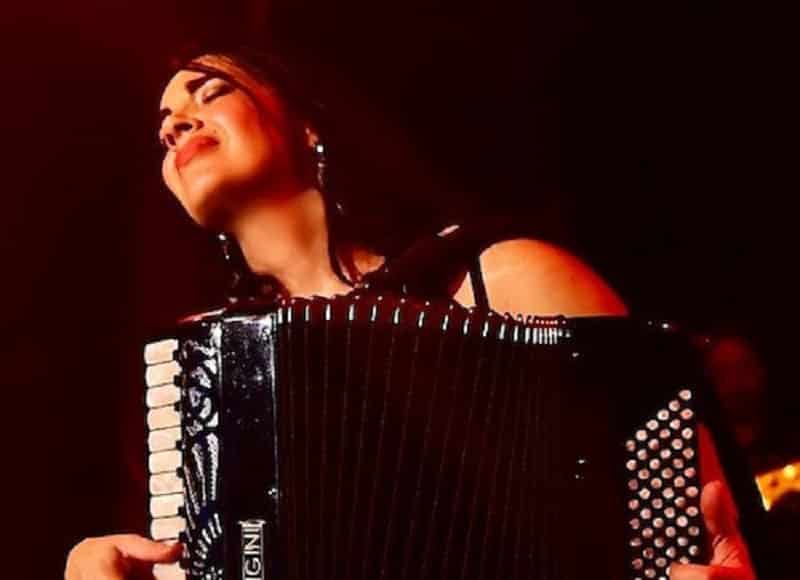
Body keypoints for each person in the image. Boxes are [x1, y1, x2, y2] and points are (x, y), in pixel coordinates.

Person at [65, 47, 757, 579]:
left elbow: (702, 531)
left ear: (307, 126)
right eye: (164, 127)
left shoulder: (505, 279)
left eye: (212, 92)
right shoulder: (199, 383)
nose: (176, 123)